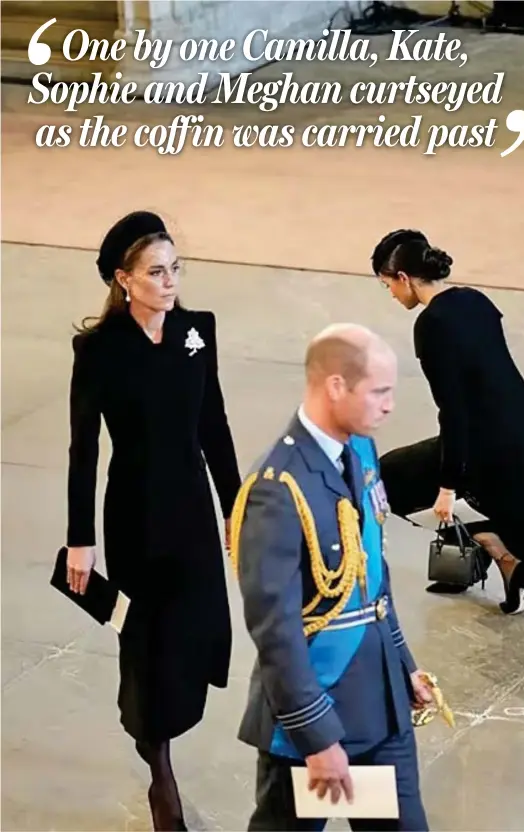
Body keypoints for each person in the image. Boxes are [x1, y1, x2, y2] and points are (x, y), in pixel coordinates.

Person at [65, 210, 241, 830]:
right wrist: (79, 540)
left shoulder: (198, 331)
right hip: (135, 509)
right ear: (123, 279)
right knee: (146, 636)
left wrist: (234, 503)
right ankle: (159, 766)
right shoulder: (99, 350)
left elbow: (212, 422)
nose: (170, 282)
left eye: (175, 270)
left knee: (198, 627)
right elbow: (84, 446)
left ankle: (162, 725)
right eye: (156, 272)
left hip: (192, 502)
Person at [232, 323, 431, 831]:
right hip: (317, 720)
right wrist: (318, 739)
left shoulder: (359, 451)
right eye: (379, 392)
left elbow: (371, 577)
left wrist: (402, 663)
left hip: (378, 706)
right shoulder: (277, 489)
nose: (389, 406)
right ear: (336, 386)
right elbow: (275, 630)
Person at [371, 229, 524, 615]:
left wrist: (448, 485)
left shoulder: (431, 325)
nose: (392, 295)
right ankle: (482, 552)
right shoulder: (475, 300)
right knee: (456, 485)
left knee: (383, 481)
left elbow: (454, 410)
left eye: (388, 285)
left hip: (487, 436)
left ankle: (501, 555)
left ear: (404, 278)